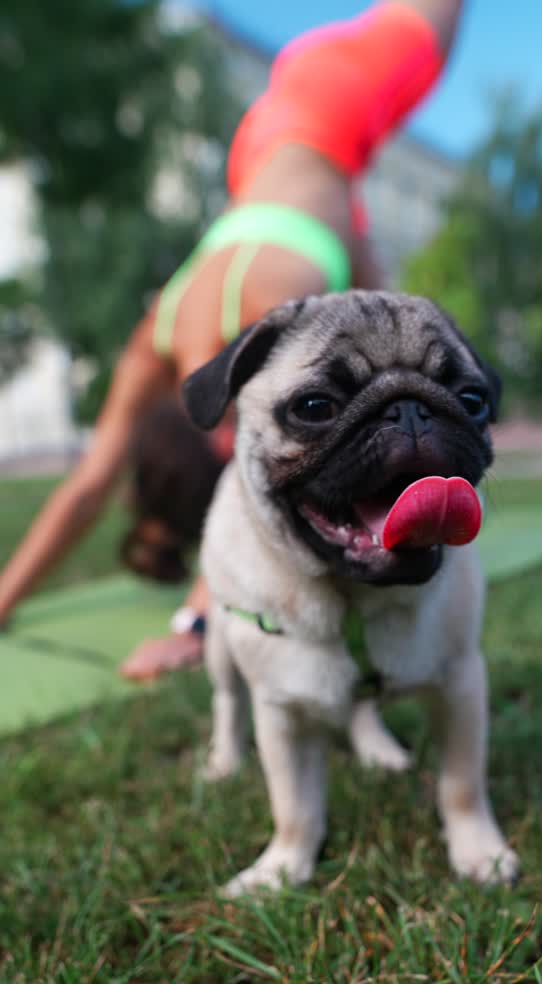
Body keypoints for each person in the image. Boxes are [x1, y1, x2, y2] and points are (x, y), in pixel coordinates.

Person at [0, 0, 464, 680]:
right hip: (269, 154)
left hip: (331, 102)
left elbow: (233, 503)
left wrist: (192, 627)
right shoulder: (160, 327)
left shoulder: (273, 342)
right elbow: (91, 486)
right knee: (376, 287)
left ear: (222, 441)